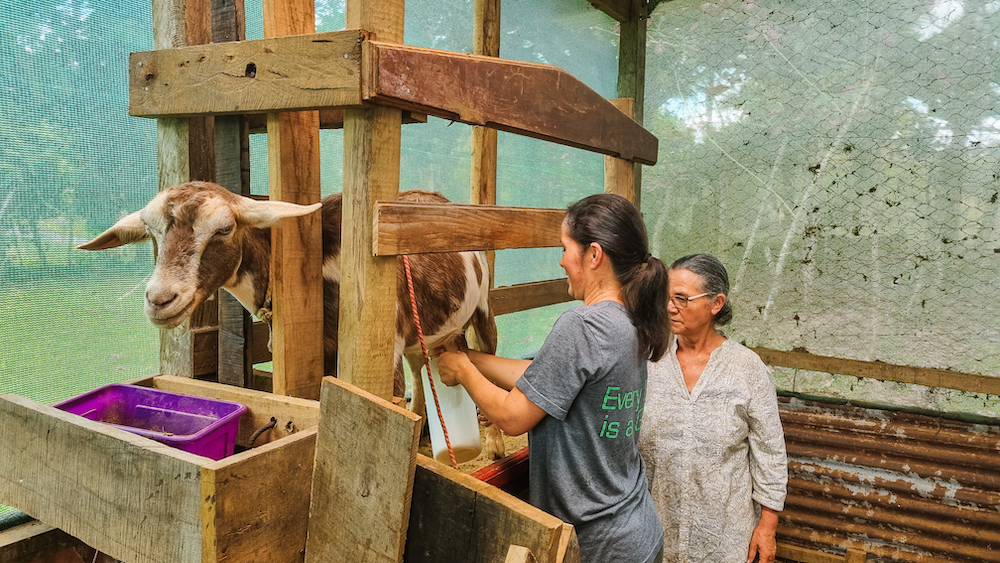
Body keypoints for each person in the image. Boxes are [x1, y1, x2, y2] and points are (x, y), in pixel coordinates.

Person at [436, 193, 668, 563]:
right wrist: (473, 358)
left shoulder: (582, 325)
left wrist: (463, 371)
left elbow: (513, 417)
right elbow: (546, 378)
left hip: (600, 546)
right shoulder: (629, 320)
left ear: (593, 255)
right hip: (636, 532)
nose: (561, 261)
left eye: (564, 248)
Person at [638, 253, 787, 563]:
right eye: (666, 297)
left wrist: (767, 527)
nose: (669, 307)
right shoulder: (649, 360)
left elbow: (770, 453)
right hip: (655, 529)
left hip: (725, 537)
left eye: (681, 298)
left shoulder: (747, 369)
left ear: (716, 303)